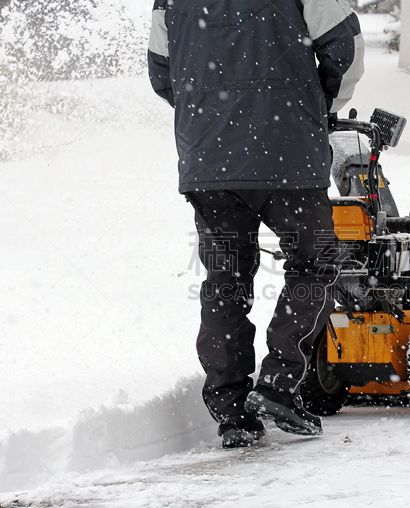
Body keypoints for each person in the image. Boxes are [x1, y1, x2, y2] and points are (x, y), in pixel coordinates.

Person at [148, 0, 364, 448]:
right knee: (316, 261)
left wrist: (212, 109)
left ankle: (231, 413)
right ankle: (278, 385)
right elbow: (346, 53)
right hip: (288, 152)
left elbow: (161, 74)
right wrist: (312, 105)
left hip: (207, 161)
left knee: (225, 276)